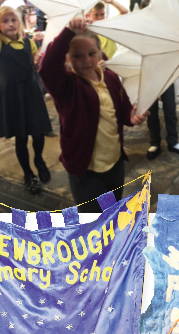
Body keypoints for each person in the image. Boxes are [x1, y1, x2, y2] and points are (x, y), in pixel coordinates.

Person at [40, 16, 145, 211]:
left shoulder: (111, 77)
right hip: (85, 167)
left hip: (114, 161)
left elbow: (123, 108)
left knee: (113, 211)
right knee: (92, 219)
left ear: (100, 53)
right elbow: (47, 68)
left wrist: (131, 116)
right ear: (67, 58)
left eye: (91, 53)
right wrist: (68, 32)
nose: (86, 60)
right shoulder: (67, 86)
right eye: (78, 56)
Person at [0, 0, 52, 195]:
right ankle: (28, 173)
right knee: (21, 137)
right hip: (12, 94)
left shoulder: (28, 43)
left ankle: (38, 159)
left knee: (38, 134)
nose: (10, 24)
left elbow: (34, 66)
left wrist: (39, 60)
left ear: (18, 23)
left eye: (13, 20)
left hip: (30, 91)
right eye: (5, 21)